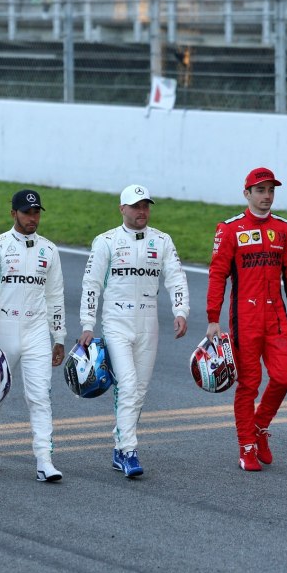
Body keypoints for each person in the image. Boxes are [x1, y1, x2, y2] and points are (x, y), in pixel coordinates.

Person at [79, 184, 189, 478]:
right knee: (127, 385)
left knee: (139, 391)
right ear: (122, 209)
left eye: (146, 206)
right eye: (136, 206)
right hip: (116, 321)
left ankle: (119, 446)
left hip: (148, 321)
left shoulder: (162, 241)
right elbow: (91, 284)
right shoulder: (106, 241)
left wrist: (181, 311)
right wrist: (88, 324)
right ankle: (129, 451)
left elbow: (176, 278)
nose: (142, 211)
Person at [206, 167, 287, 472]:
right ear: (246, 193)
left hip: (276, 316)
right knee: (249, 383)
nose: (267, 196)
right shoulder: (230, 228)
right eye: (260, 190)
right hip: (244, 318)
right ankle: (246, 446)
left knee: (285, 376)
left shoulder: (284, 228)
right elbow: (217, 274)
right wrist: (213, 318)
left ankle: (260, 426)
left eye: (271, 190)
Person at [0, 189, 67, 482]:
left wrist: (59, 336)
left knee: (40, 397)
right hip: (2, 329)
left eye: (36, 212)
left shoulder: (49, 250)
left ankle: (44, 461)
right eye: (27, 213)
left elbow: (55, 296)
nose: (32, 218)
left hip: (36, 330)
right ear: (13, 213)